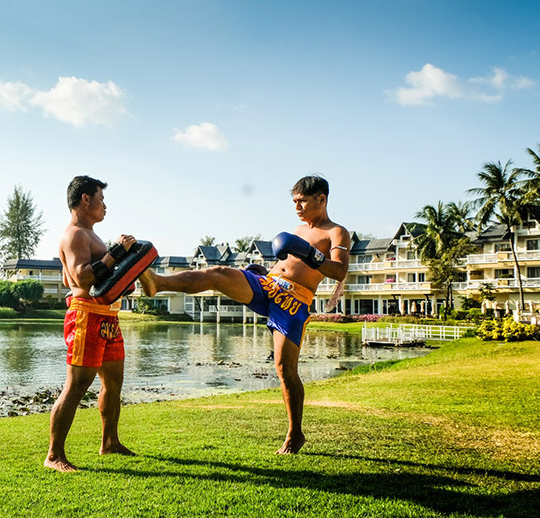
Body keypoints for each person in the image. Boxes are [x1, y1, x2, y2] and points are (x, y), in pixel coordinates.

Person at [139, 175, 350, 454]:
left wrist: (310, 253)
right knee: (218, 273)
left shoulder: (336, 232)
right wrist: (264, 271)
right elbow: (286, 264)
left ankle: (295, 433)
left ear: (321, 200)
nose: (297, 207)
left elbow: (339, 271)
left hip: (293, 302)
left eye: (302, 201)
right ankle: (159, 283)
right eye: (294, 201)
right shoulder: (297, 229)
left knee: (285, 370)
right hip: (267, 285)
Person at [45, 175, 137, 472]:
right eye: (101, 198)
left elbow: (72, 277)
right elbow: (82, 277)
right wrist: (116, 253)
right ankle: (54, 455)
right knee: (77, 385)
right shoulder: (74, 235)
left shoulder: (91, 236)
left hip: (108, 316)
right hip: (86, 315)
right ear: (86, 199)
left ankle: (109, 442)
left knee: (113, 384)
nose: (105, 205)